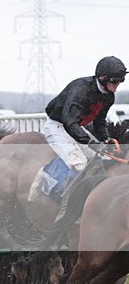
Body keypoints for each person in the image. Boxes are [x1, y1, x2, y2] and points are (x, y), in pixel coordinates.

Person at [28, 55, 126, 202]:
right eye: (114, 80)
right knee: (80, 163)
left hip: (76, 128)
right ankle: (64, 199)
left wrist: (105, 139)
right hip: (58, 127)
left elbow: (99, 123)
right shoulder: (81, 90)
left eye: (120, 80)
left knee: (97, 159)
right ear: (102, 77)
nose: (117, 84)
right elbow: (69, 122)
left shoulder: (108, 97)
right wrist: (92, 143)